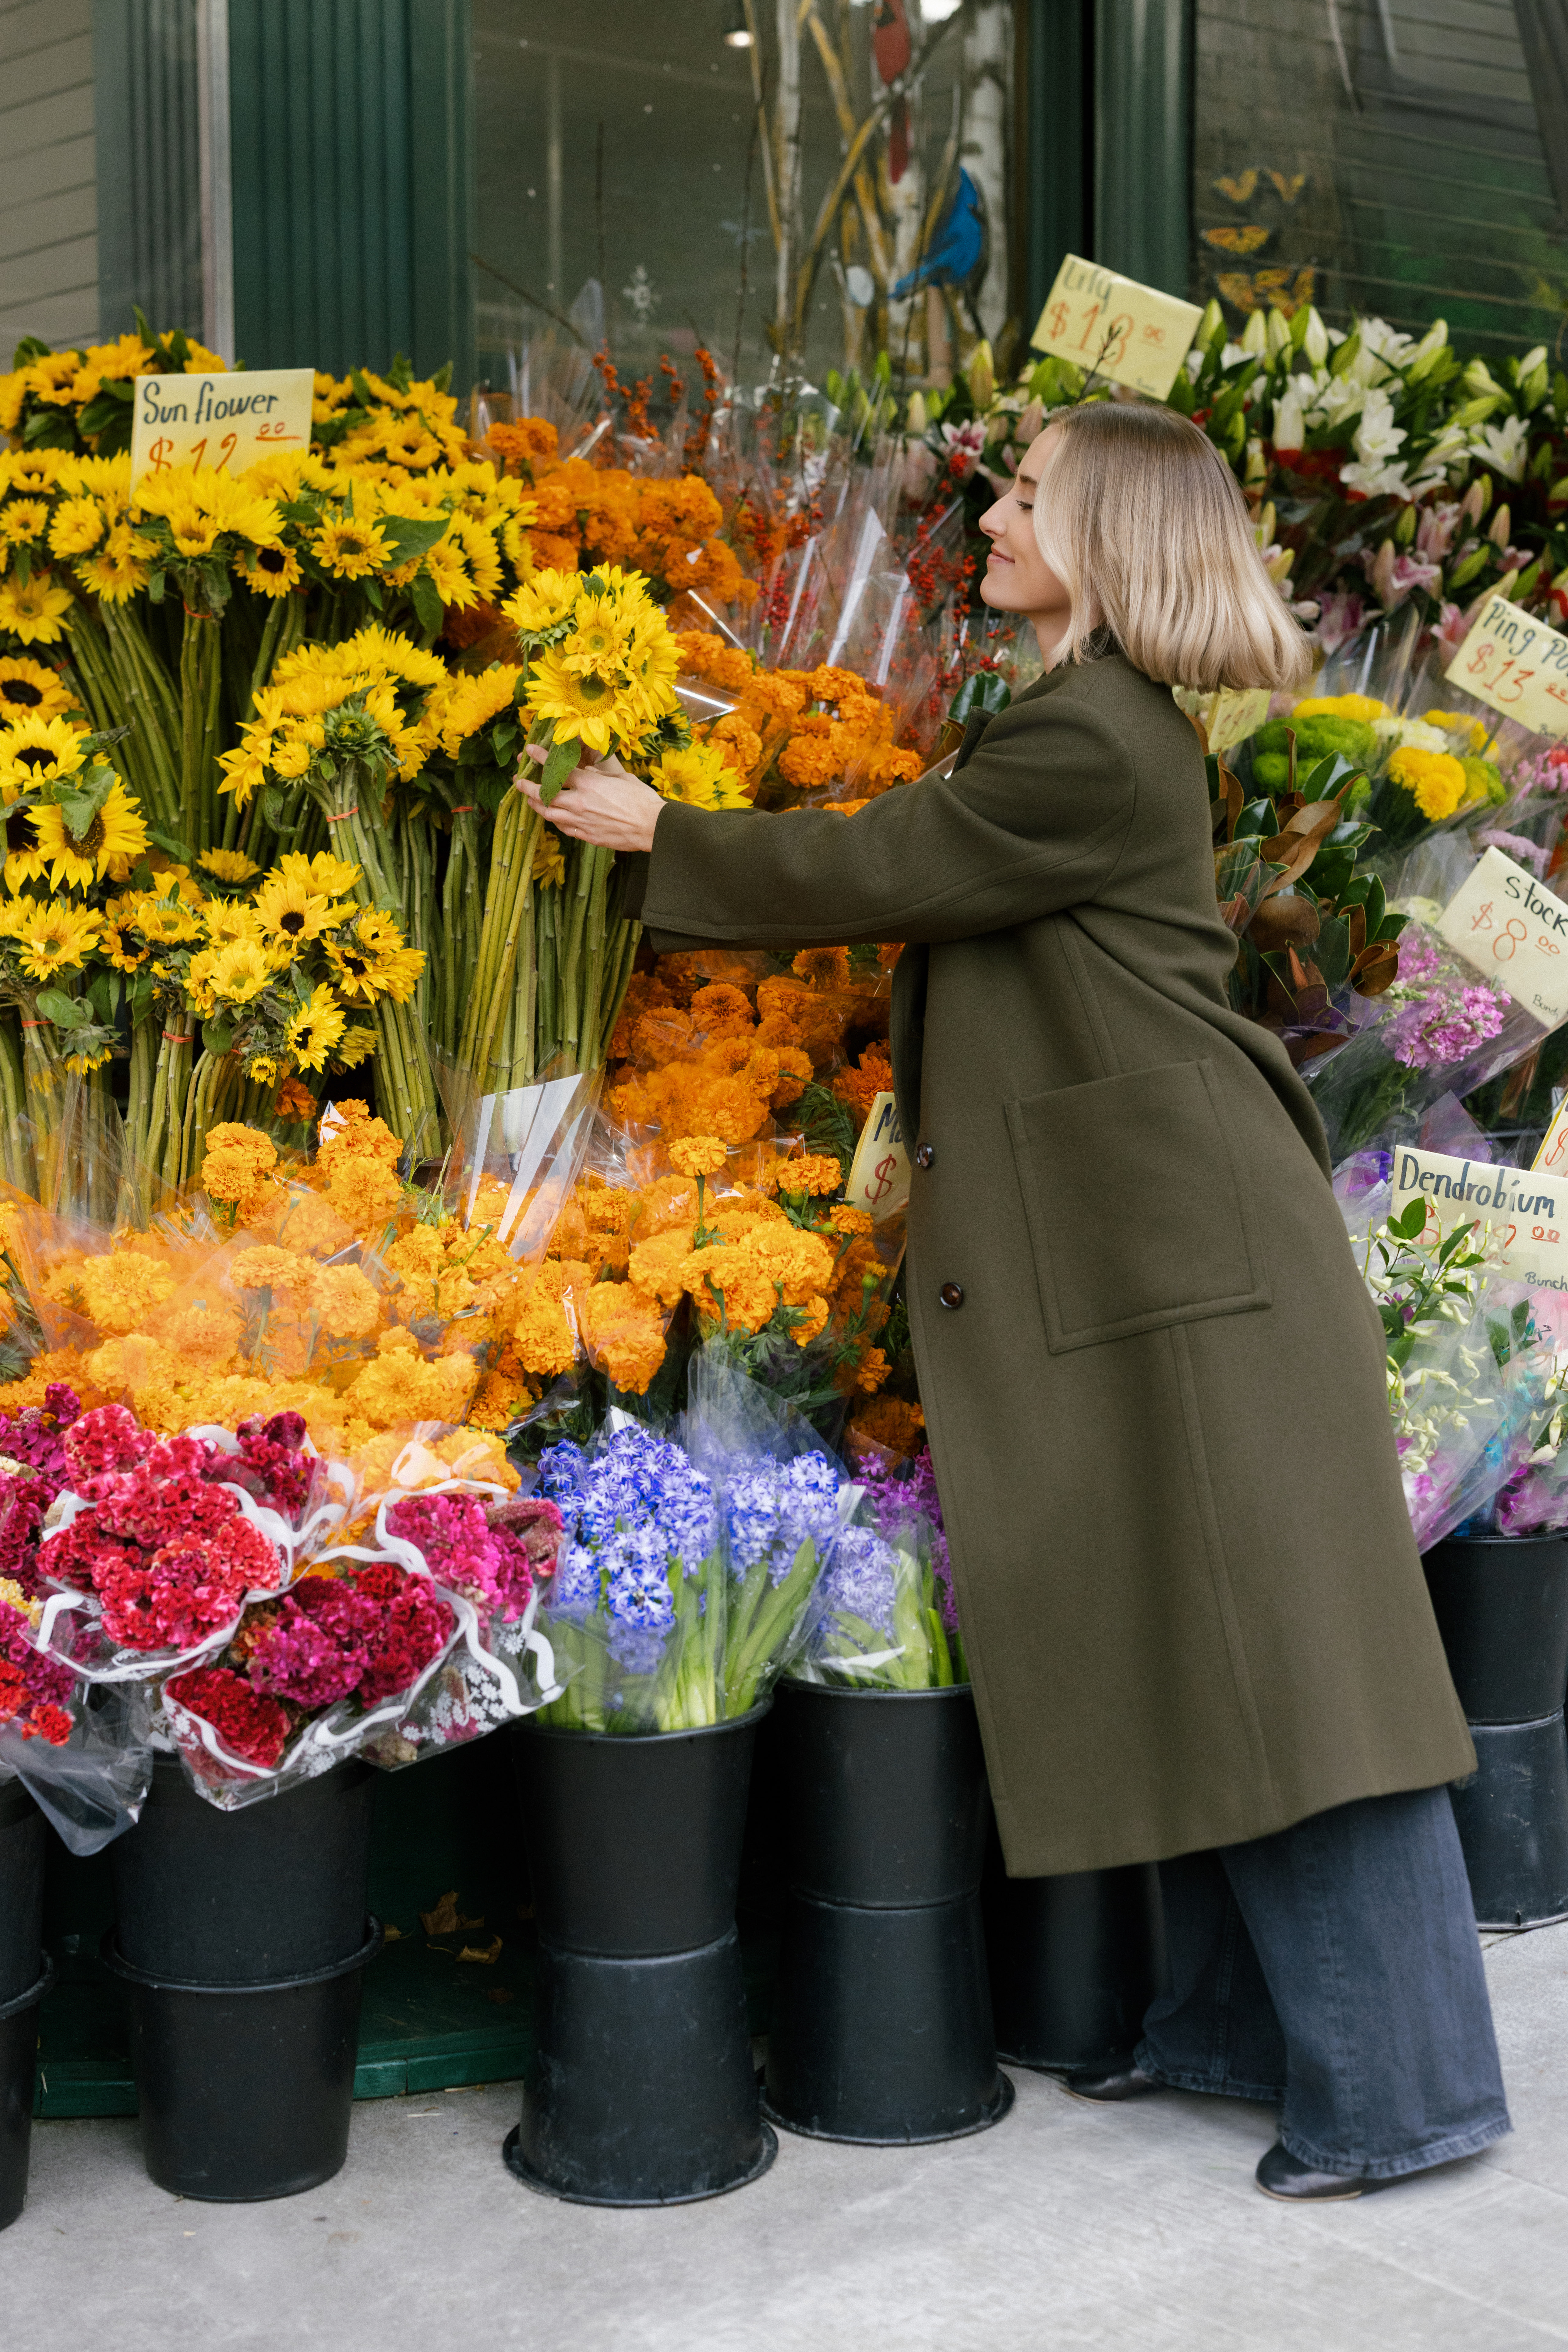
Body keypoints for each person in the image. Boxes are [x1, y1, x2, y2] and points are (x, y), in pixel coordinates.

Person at [519, 401, 1509, 2202]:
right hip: (1162, 1258)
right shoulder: (1084, 722)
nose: (995, 516)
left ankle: (1407, 2095)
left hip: (1193, 1270)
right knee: (1207, 1658)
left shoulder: (1091, 743)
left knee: (1297, 1683)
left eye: (1033, 497)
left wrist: (671, 831)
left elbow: (884, 864)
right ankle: (1230, 2031)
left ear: (1115, 538)